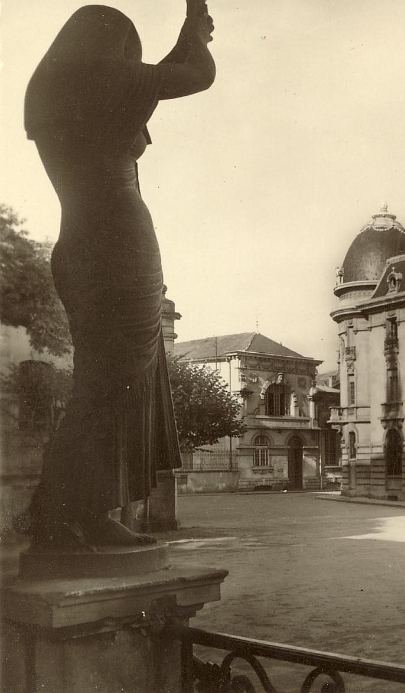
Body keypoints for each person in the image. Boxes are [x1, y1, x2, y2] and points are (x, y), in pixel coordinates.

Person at [19, 2, 216, 549]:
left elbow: (160, 74)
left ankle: (78, 514)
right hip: (117, 244)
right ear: (113, 44)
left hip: (83, 243)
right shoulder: (105, 79)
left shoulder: (64, 87)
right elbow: (196, 74)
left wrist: (189, 33)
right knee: (113, 382)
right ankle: (61, 516)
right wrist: (197, 24)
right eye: (130, 46)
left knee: (107, 381)